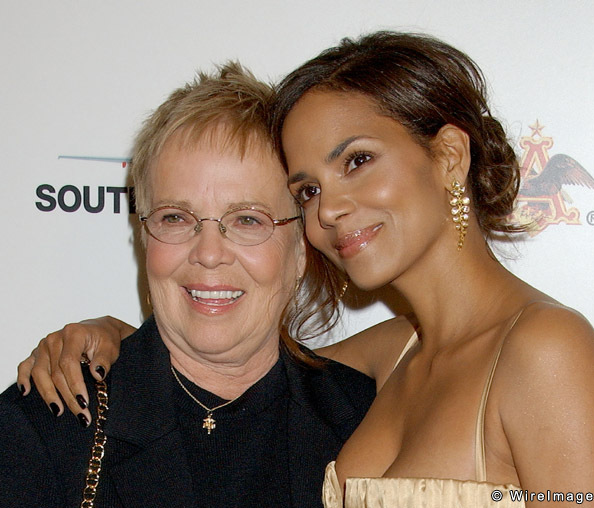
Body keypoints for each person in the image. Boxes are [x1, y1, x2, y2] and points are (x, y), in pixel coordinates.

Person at [17, 32, 594, 507]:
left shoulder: (545, 348)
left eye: (358, 160)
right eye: (309, 188)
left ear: (449, 155)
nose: (330, 206)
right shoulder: (390, 357)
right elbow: (241, 367)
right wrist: (113, 335)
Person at [0, 62, 376, 508]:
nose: (209, 253)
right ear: (143, 235)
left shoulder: (365, 420)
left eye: (247, 219)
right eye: (175, 217)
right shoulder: (48, 424)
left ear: (300, 249)